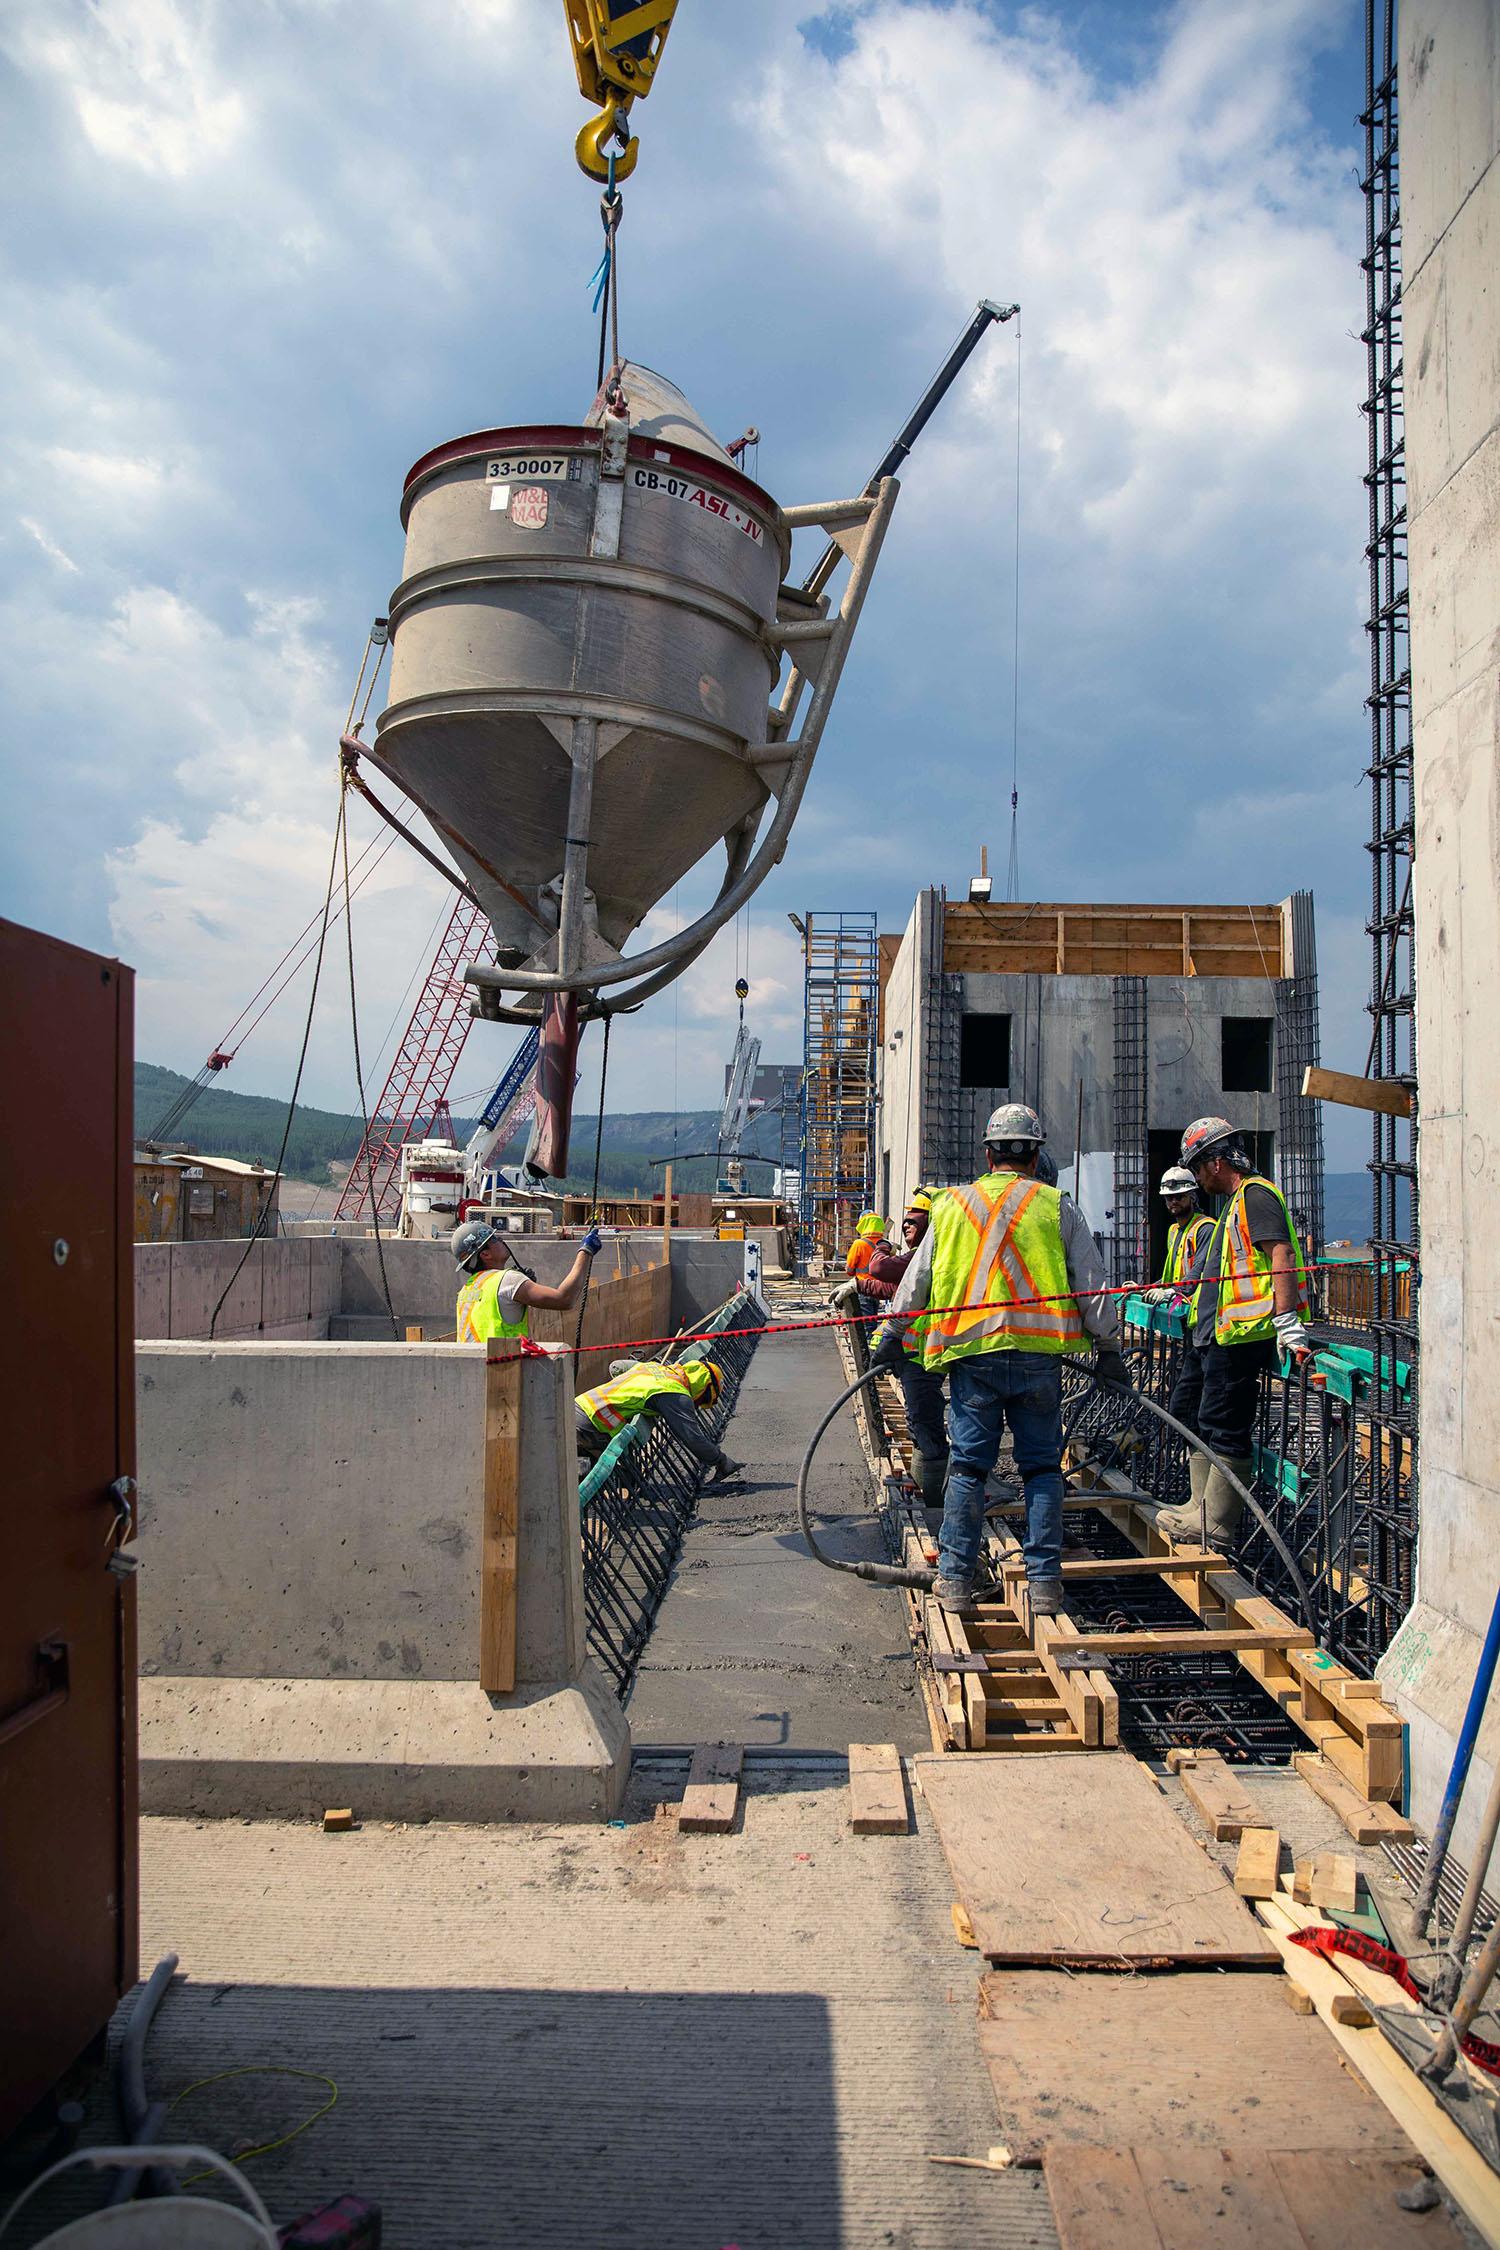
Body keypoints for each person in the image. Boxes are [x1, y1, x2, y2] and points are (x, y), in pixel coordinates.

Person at [882, 1104, 1128, 1616]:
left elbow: (916, 1282)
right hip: (1039, 1360)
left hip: (974, 1359)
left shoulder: (950, 1206)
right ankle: (1044, 1586)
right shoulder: (1056, 1205)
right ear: (1036, 1154)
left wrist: (891, 1333)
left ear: (988, 1152)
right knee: (1040, 1469)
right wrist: (1108, 1349)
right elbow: (1092, 1284)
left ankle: (952, 1579)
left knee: (969, 1468)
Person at [1146, 1117, 1312, 1547]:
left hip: (1244, 1335)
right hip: (1225, 1334)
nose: (1198, 1180)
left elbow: (1280, 1254)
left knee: (1226, 1426)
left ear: (1216, 1163)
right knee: (1209, 1419)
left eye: (1199, 1169)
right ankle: (1198, 1507)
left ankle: (1215, 1521)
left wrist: (1287, 1321)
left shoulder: (1256, 1197)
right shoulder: (1236, 1204)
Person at [863, 1192, 950, 1508]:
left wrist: (882, 1245)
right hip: (916, 1353)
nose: (906, 1225)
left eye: (914, 1221)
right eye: (905, 1221)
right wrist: (858, 1287)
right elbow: (892, 1287)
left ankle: (935, 1502)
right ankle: (928, 1486)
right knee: (918, 1420)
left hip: (925, 1353)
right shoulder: (919, 1255)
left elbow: (881, 1270)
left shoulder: (924, 1254)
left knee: (925, 1423)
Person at [574, 1355, 741, 1481]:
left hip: (578, 1407)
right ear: (703, 1387)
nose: (697, 1405)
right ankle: (579, 1514)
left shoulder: (655, 1368)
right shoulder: (675, 1394)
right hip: (594, 1423)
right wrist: (720, 1460)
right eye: (703, 1400)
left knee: (581, 1466)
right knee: (614, 1477)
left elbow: (615, 1366)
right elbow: (692, 1438)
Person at [451, 1217, 600, 1343]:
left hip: (473, 1370)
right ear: (485, 1254)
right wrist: (586, 1251)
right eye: (494, 1239)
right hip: (503, 1370)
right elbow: (564, 1299)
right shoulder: (507, 1280)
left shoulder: (467, 1289)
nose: (501, 1240)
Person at [1141, 1167, 1214, 1304]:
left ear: (1192, 1197)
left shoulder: (1206, 1228)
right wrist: (1145, 1289)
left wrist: (1171, 1292)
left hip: (1199, 1306)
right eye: (1169, 1197)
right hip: (1181, 1305)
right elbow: (1171, 1277)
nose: (1174, 1201)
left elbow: (1199, 1270)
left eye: (1179, 1196)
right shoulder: (1174, 1231)